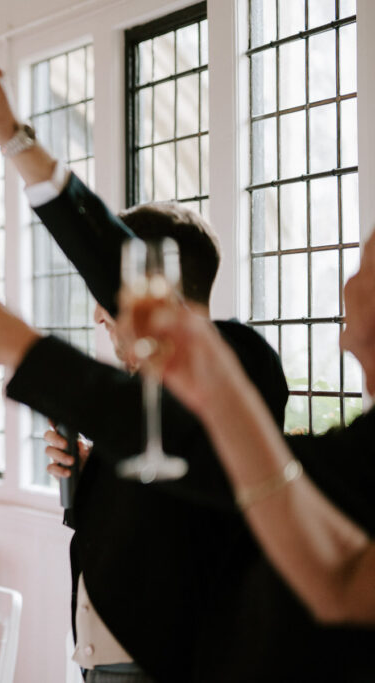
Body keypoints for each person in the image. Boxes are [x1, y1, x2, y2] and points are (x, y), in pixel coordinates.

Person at [0, 47, 291, 681]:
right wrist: (83, 472)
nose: (104, 316)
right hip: (102, 654)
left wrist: (27, 350)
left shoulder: (240, 359)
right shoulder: (139, 387)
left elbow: (195, 474)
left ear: (153, 284)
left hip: (179, 658)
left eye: (112, 291)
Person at [119, 231, 375, 627]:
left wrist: (29, 352)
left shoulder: (250, 352)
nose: (349, 283)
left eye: (365, 266)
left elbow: (337, 583)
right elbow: (341, 577)